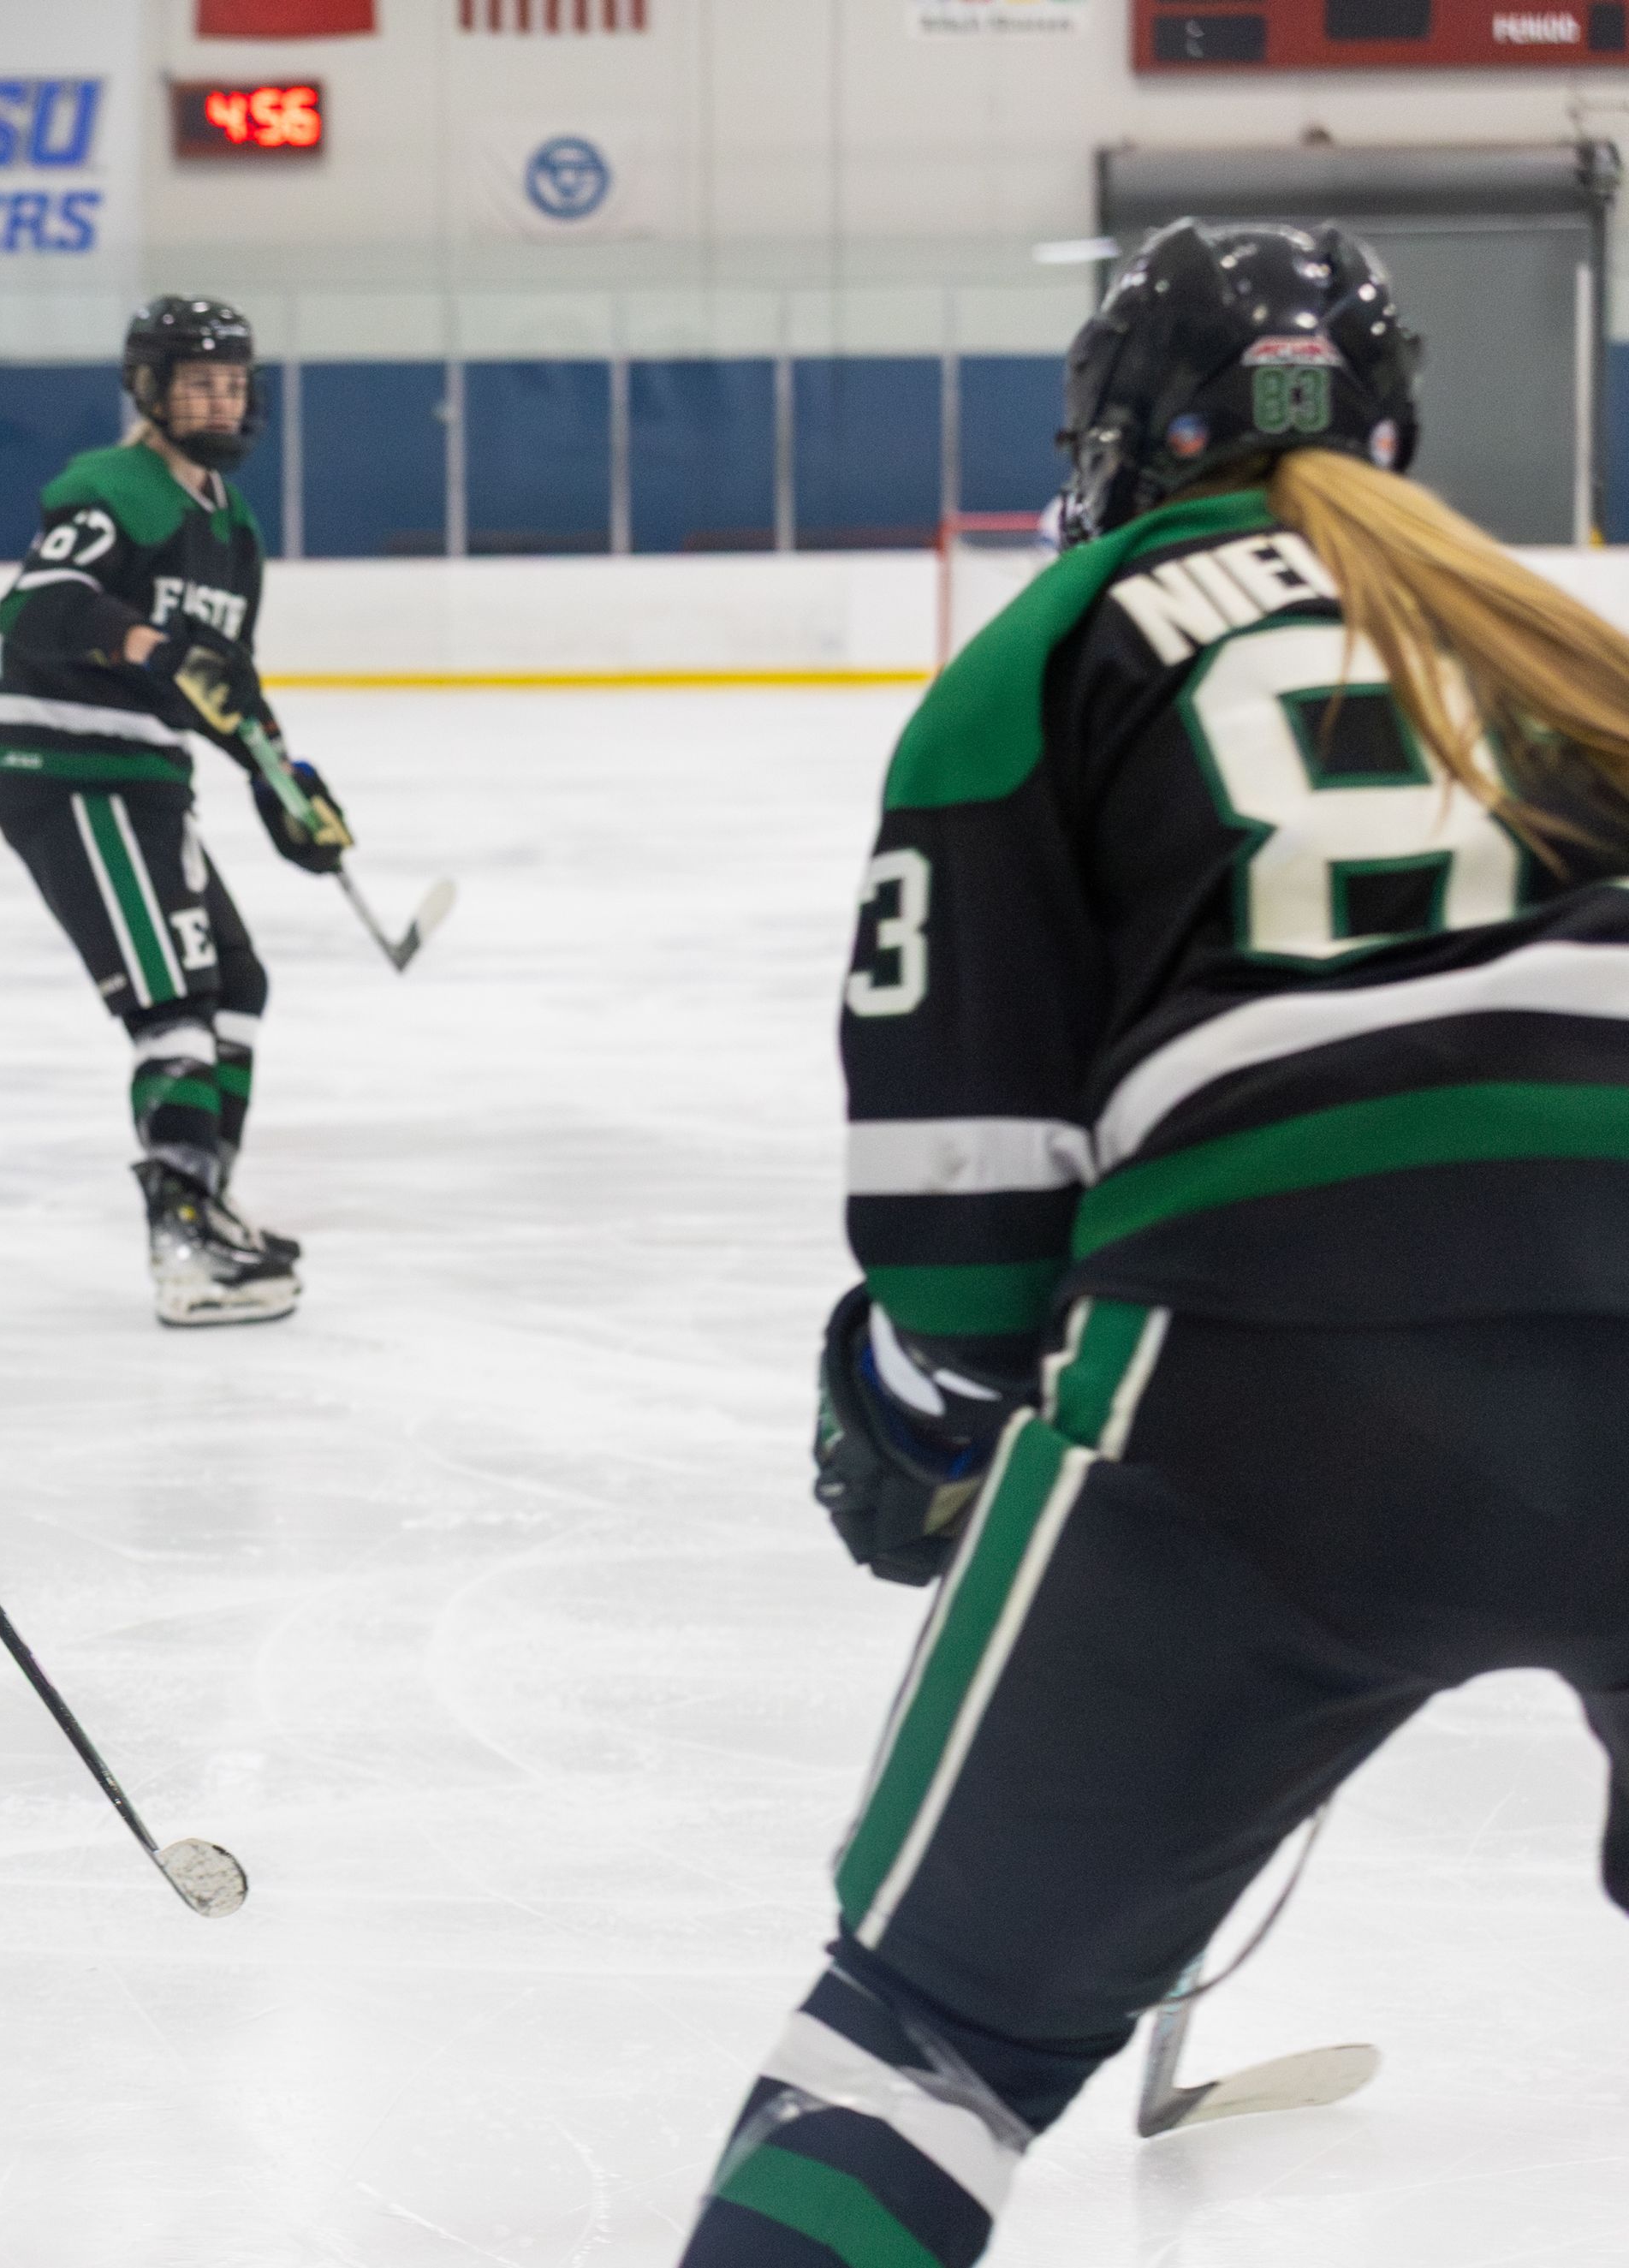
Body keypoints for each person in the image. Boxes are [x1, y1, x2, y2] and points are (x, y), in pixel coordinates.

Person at [680, 219, 1629, 2267]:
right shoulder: (1551, 634)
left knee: (921, 2047)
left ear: (1113, 441)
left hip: (1272, 1356)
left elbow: (964, 1223)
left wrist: (921, 1420)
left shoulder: (1047, 649)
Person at [0, 295, 355, 1327]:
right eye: (198, 381)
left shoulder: (233, 525)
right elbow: (42, 609)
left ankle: (209, 1206)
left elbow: (222, 676)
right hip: (65, 764)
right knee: (170, 1001)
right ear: (150, 389)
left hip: (139, 771)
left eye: (233, 381)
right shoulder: (109, 488)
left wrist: (283, 783)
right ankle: (180, 1245)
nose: (220, 399)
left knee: (237, 981)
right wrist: (153, 651)